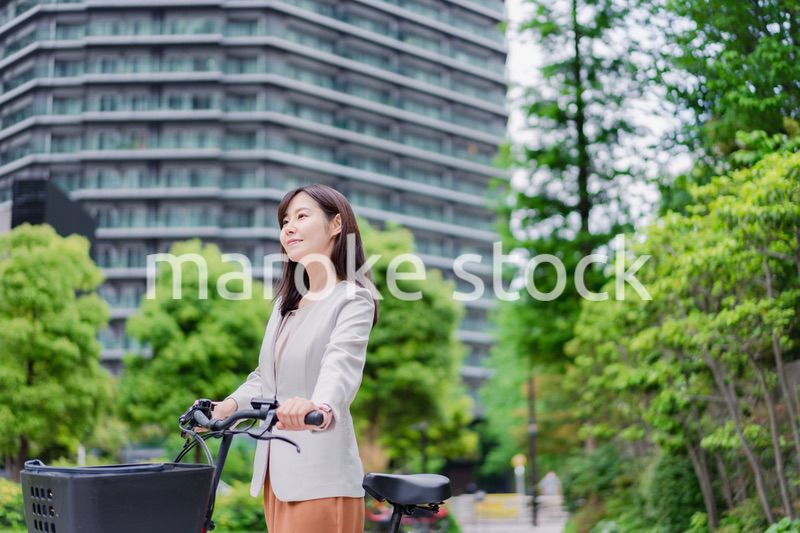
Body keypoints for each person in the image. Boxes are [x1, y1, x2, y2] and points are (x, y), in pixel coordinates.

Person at [205, 184, 379, 532]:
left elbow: (340, 364)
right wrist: (227, 406)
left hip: (320, 476)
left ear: (335, 226)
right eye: (285, 220)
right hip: (276, 474)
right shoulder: (286, 306)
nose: (289, 227)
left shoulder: (352, 299)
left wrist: (321, 407)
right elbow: (265, 377)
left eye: (302, 216)